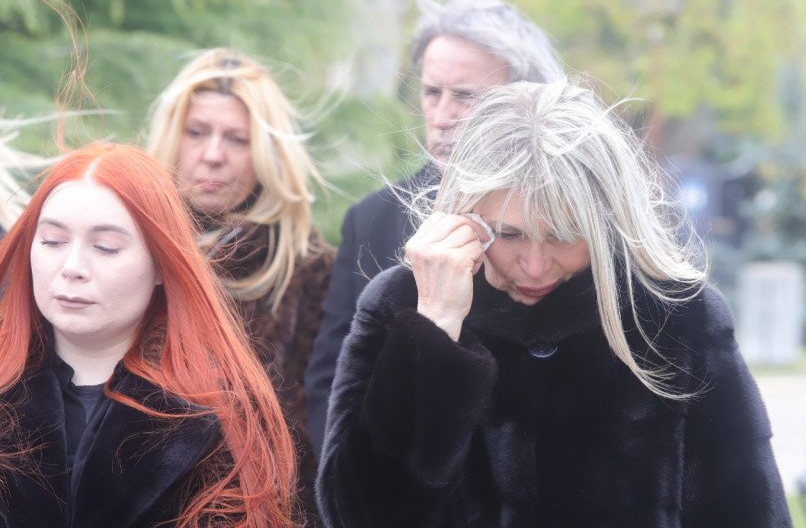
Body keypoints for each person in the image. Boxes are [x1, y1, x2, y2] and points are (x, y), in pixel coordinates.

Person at [316, 80, 793, 527]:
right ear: (463, 212)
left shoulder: (674, 314)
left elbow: (746, 510)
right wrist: (436, 330)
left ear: (606, 221)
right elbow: (354, 514)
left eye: (565, 235)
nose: (535, 265)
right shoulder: (403, 304)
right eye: (509, 234)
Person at [305, 0, 563, 458]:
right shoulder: (373, 219)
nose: (443, 117)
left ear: (527, 99)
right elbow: (331, 382)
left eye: (466, 95)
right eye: (431, 92)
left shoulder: (572, 223)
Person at [0, 143, 296, 527]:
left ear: (160, 264)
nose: (72, 267)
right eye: (53, 241)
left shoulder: (220, 410)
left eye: (106, 248)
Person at [147, 48, 334, 525]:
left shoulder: (310, 269)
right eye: (196, 132)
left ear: (267, 152)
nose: (213, 155)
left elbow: (318, 438)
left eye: (237, 139)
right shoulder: (126, 245)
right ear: (172, 135)